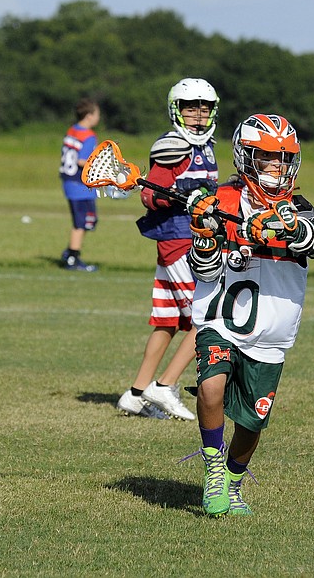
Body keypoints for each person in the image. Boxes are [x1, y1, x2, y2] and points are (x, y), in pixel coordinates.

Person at [184, 113, 314, 516]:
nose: (278, 166)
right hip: (221, 319)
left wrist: (288, 229)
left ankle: (233, 482)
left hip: (272, 329)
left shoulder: (297, 206)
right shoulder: (221, 202)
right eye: (267, 157)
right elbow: (203, 270)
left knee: (252, 422)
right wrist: (204, 235)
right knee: (211, 387)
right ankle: (213, 468)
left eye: (285, 159)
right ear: (245, 156)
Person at [115, 78, 220, 421]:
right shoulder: (172, 145)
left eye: (203, 108)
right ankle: (165, 385)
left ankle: (135, 394)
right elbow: (150, 196)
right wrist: (172, 197)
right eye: (191, 107)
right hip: (178, 240)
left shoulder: (207, 144)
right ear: (177, 109)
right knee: (207, 319)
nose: (198, 115)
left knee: (169, 321)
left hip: (190, 237)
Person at [59, 97, 101, 272]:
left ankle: (69, 252)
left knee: (87, 221)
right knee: (82, 223)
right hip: (80, 185)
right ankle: (72, 258)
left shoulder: (72, 130)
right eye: (97, 114)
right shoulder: (89, 135)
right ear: (90, 116)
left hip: (69, 182)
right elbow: (82, 160)